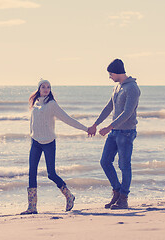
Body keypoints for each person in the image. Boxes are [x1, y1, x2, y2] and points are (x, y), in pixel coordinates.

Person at [21, 79, 88, 215]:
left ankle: (69, 196)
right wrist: (32, 137)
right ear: (39, 89)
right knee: (32, 173)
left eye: (48, 87)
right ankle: (32, 207)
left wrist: (86, 129)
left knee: (51, 173)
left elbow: (67, 119)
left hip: (49, 142)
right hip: (35, 142)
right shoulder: (35, 104)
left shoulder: (52, 105)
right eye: (43, 87)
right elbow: (32, 124)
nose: (46, 89)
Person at [87, 59, 140, 209]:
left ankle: (123, 198)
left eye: (110, 74)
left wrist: (109, 127)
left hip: (126, 132)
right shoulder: (117, 87)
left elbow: (127, 113)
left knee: (124, 165)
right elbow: (109, 107)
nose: (109, 76)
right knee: (105, 162)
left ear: (117, 72)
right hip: (115, 132)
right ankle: (116, 191)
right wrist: (95, 124)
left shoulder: (132, 88)